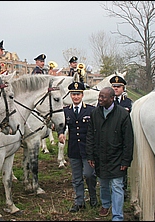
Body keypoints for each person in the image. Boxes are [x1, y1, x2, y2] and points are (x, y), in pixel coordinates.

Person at [86, 87, 134, 221]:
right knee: (103, 183)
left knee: (117, 186)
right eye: (99, 96)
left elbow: (128, 139)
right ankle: (106, 205)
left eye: (103, 97)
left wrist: (126, 160)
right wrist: (90, 155)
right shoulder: (95, 113)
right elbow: (90, 135)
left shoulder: (123, 115)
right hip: (100, 156)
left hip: (117, 157)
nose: (100, 99)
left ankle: (117, 215)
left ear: (112, 99)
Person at [58, 81, 97, 213]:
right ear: (70, 95)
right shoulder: (66, 111)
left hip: (88, 149)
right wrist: (60, 133)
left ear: (82, 95)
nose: (75, 97)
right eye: (73, 95)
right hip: (74, 149)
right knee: (76, 178)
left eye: (78, 94)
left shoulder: (90, 110)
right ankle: (79, 201)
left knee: (89, 174)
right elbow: (61, 125)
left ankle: (93, 197)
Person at [110, 75, 133, 201]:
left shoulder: (127, 102)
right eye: (114, 86)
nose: (116, 89)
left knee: (123, 164)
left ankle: (123, 188)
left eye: (118, 87)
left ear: (123, 88)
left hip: (123, 136)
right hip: (110, 136)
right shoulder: (107, 100)